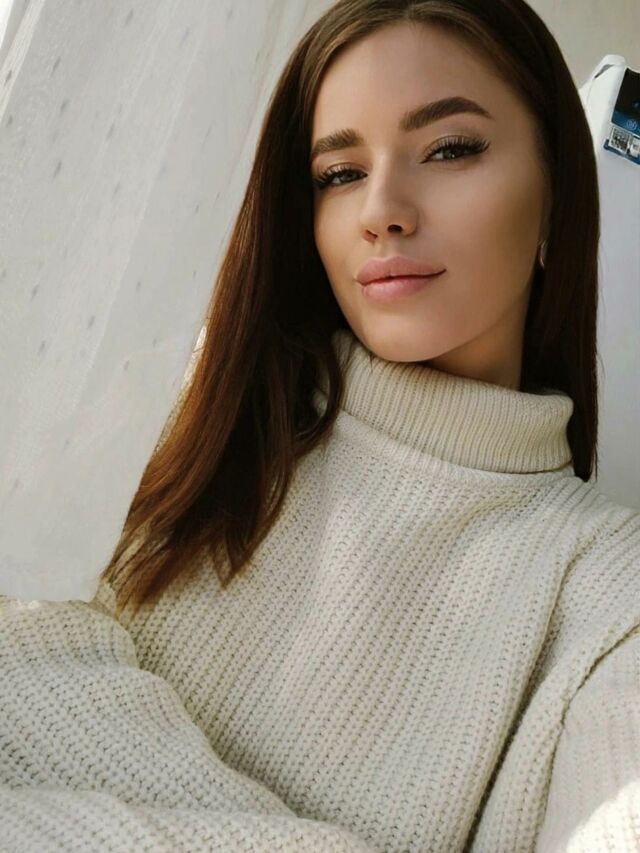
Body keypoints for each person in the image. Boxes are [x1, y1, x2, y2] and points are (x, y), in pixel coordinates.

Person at [2, 1, 639, 851]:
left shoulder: (609, 592)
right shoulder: (186, 403)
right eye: (339, 173)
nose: (382, 209)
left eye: (450, 148)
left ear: (558, 192)